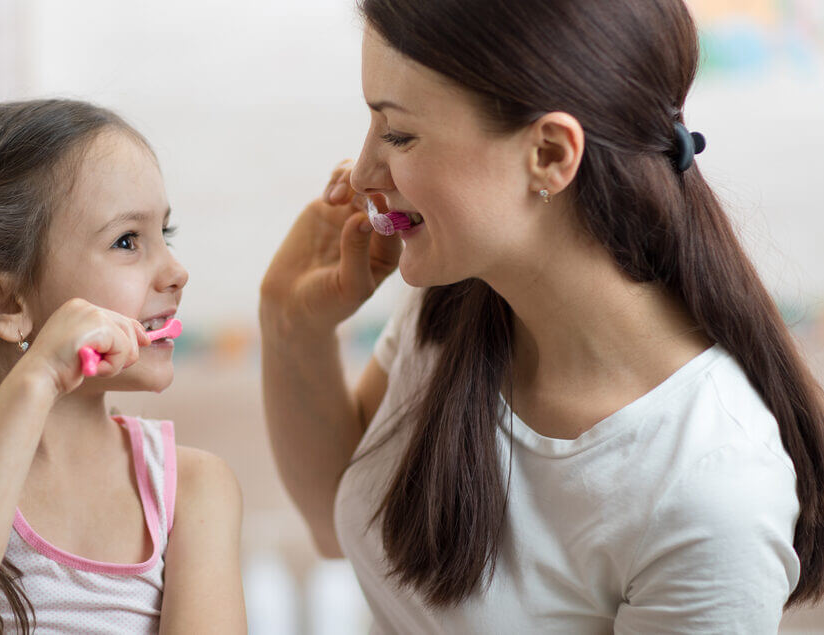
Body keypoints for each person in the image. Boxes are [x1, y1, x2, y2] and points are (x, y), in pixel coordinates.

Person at [260, 1, 824, 631]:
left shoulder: (712, 494)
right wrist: (292, 323)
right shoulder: (454, 298)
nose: (363, 172)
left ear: (551, 153)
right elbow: (336, 522)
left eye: (398, 134)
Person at [0, 99, 246, 634]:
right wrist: (38, 377)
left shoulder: (194, 490)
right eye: (127, 241)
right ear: (3, 302)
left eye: (166, 235)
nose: (176, 271)